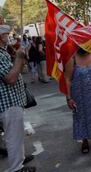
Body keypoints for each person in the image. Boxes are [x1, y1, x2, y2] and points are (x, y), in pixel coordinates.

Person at [0, 25, 36, 172]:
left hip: (13, 101)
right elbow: (9, 78)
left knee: (17, 134)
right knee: (13, 136)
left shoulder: (4, 52)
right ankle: (16, 168)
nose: (8, 36)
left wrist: (20, 59)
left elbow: (17, 70)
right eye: (6, 34)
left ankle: (19, 159)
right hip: (8, 104)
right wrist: (19, 58)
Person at [64, 48, 91, 154]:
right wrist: (69, 98)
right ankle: (85, 140)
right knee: (81, 116)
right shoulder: (72, 58)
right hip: (79, 96)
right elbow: (67, 79)